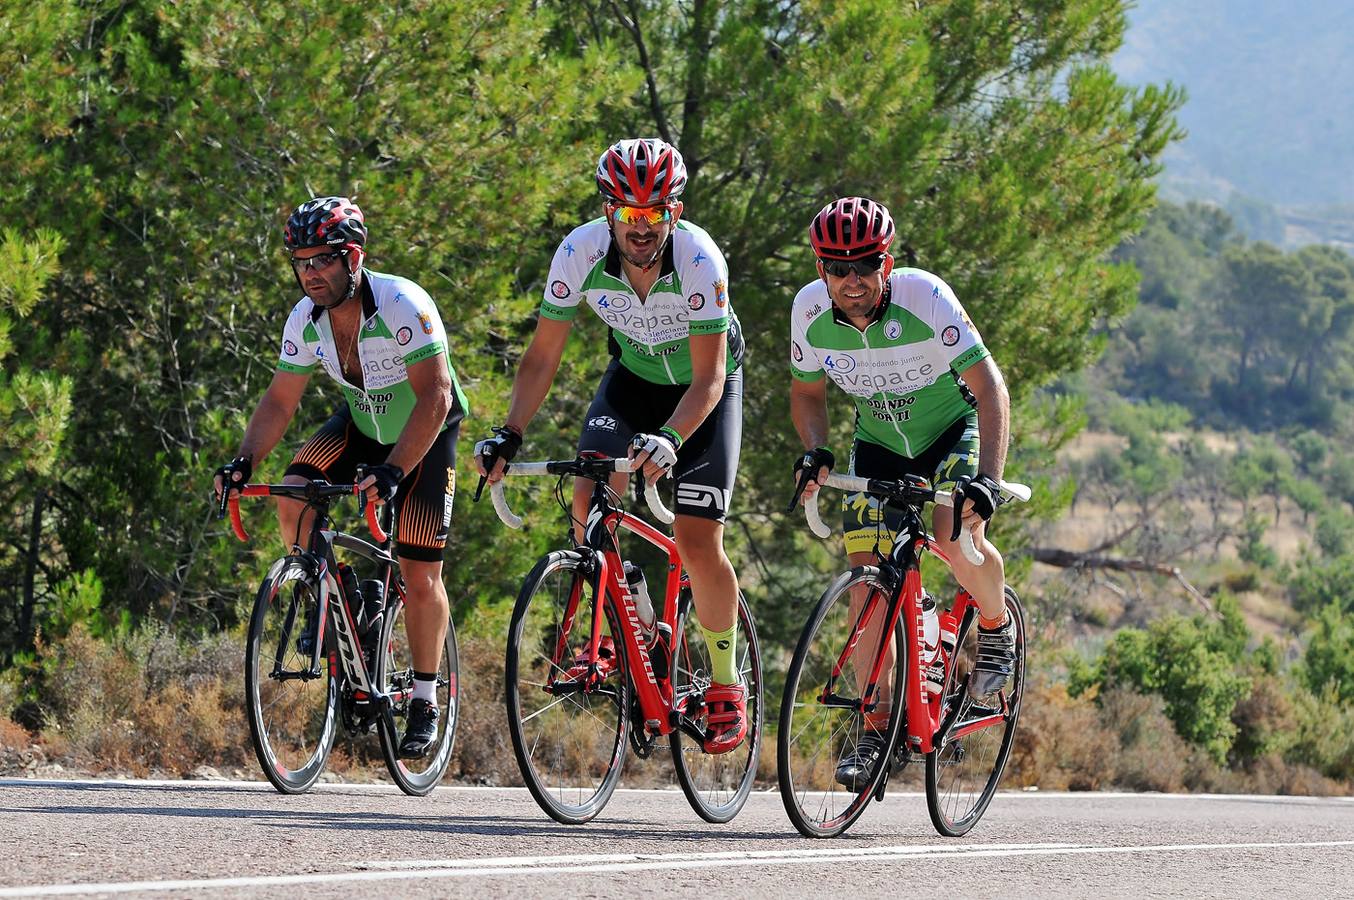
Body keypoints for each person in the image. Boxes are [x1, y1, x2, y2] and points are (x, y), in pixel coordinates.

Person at [475, 138, 749, 753]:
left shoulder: (700, 260)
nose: (640, 228)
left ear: (673, 213)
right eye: (628, 214)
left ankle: (727, 684)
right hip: (631, 383)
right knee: (587, 495)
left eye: (654, 215)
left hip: (703, 390)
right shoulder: (577, 253)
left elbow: (708, 377)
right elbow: (542, 357)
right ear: (608, 211)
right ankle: (623, 609)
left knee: (697, 537)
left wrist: (673, 439)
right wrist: (508, 432)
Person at [214, 196, 469, 759]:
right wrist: (243, 463)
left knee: (421, 571)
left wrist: (396, 471)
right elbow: (280, 401)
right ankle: (341, 596)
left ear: (353, 257)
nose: (310, 271)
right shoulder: (305, 320)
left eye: (323, 259)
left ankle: (425, 698)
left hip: (423, 432)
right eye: (301, 261)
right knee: (291, 494)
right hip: (361, 422)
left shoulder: (404, 304)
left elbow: (436, 393)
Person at [787, 196, 1014, 788]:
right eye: (838, 268)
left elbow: (989, 390)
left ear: (886, 263)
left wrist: (986, 478)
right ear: (820, 270)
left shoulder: (924, 297)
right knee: (867, 584)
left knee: (955, 541)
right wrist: (815, 449)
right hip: (878, 441)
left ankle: (994, 625)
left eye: (865, 265)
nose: (852, 280)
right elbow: (808, 396)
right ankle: (875, 726)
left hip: (949, 432)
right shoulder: (809, 312)